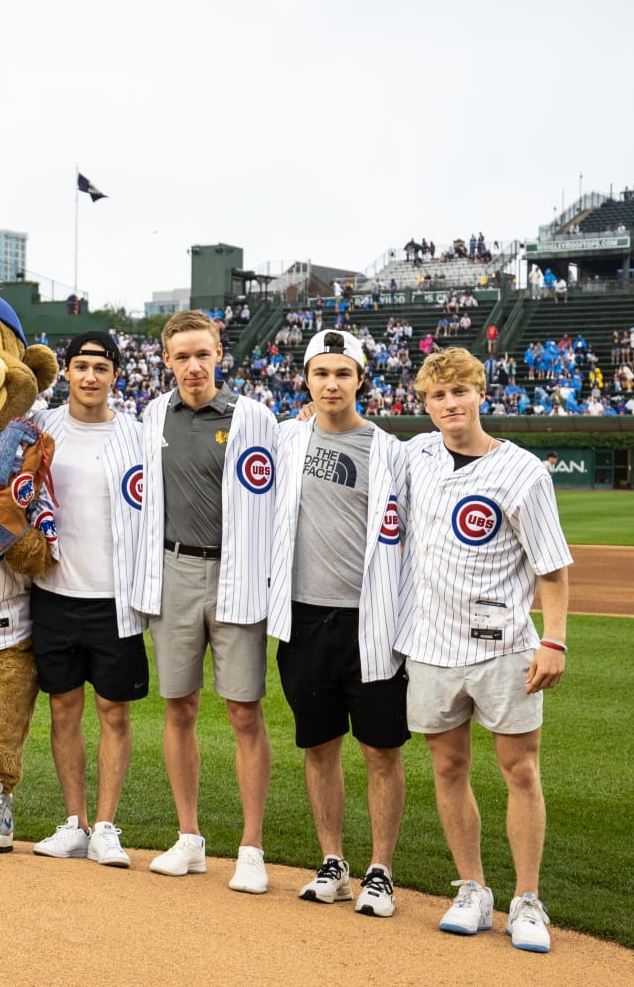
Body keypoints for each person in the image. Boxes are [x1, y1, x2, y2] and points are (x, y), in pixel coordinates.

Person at [402, 347, 572, 953]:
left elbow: (551, 568)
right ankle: (473, 889)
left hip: (503, 648)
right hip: (430, 645)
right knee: (448, 768)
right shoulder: (417, 453)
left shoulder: (524, 472)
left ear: (481, 395)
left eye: (460, 393)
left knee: (520, 770)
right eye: (437, 396)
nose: (450, 405)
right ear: (425, 405)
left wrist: (552, 640)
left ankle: (527, 899)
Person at [267, 331, 415, 917]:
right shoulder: (284, 438)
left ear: (360, 380)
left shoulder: (391, 450)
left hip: (370, 621)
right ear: (306, 379)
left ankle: (381, 870)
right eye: (321, 373)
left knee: (381, 749)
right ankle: (333, 862)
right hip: (303, 618)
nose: (331, 383)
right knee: (319, 744)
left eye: (343, 373)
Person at [132, 310, 277, 891]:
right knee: (179, 706)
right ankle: (189, 837)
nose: (193, 366)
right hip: (173, 571)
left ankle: (251, 847)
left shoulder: (252, 417)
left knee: (244, 710)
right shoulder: (152, 416)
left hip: (237, 573)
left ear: (220, 353)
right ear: (165, 361)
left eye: (202, 354)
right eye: (181, 357)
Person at [28, 332, 150, 868]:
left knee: (114, 713)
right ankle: (75, 823)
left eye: (101, 367)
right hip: (54, 593)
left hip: (114, 597)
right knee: (63, 710)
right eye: (81, 366)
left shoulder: (139, 435)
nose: (91, 376)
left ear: (115, 374)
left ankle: (105, 825)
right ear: (68, 373)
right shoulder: (43, 426)